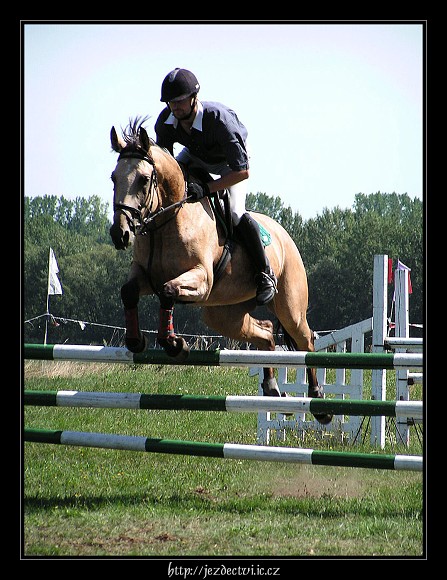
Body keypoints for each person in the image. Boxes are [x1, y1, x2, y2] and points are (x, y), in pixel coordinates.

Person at [154, 68, 277, 306]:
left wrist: (208, 188)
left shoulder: (219, 120)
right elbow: (168, 167)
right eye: (171, 102)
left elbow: (242, 171)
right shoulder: (166, 121)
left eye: (180, 101)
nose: (175, 107)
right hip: (195, 154)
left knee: (235, 213)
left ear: (194, 98)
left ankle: (265, 275)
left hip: (230, 163)